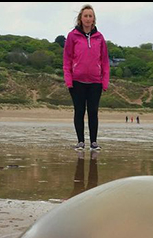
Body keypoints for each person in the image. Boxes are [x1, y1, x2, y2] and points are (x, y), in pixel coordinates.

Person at [64, 4, 109, 151]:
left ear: (94, 19)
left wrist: (105, 81)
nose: (88, 19)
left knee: (93, 112)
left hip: (95, 81)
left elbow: (104, 61)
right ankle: (81, 142)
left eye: (90, 16)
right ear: (80, 18)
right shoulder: (72, 36)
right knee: (79, 111)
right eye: (85, 16)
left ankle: (94, 142)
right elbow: (67, 59)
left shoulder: (100, 37)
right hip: (77, 81)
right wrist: (68, 80)